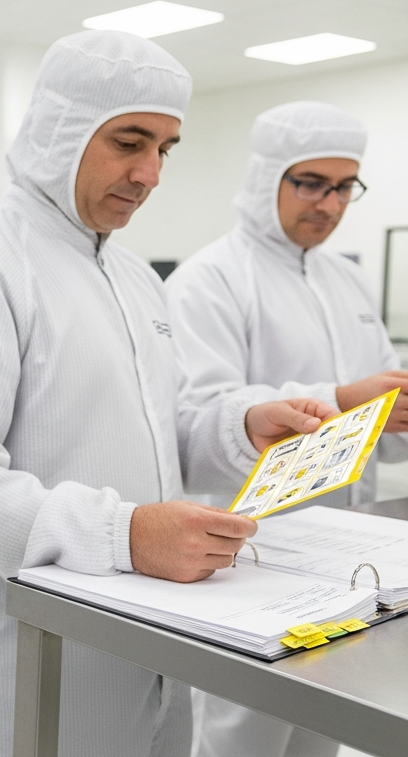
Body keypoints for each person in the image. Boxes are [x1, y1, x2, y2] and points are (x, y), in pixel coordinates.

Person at [0, 30, 334, 756]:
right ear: (59, 134)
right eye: (129, 142)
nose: (150, 172)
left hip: (151, 641)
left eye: (166, 148)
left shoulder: (135, 280)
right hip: (25, 662)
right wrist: (125, 535)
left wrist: (243, 423)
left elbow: (164, 432)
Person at [166, 102, 407, 757]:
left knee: (320, 731)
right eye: (310, 183)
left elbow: (377, 418)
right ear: (266, 178)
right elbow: (199, 420)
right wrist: (338, 400)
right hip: (251, 558)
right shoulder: (210, 280)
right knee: (243, 731)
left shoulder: (348, 280)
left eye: (343, 187)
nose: (328, 204)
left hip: (349, 558)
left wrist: (392, 417)